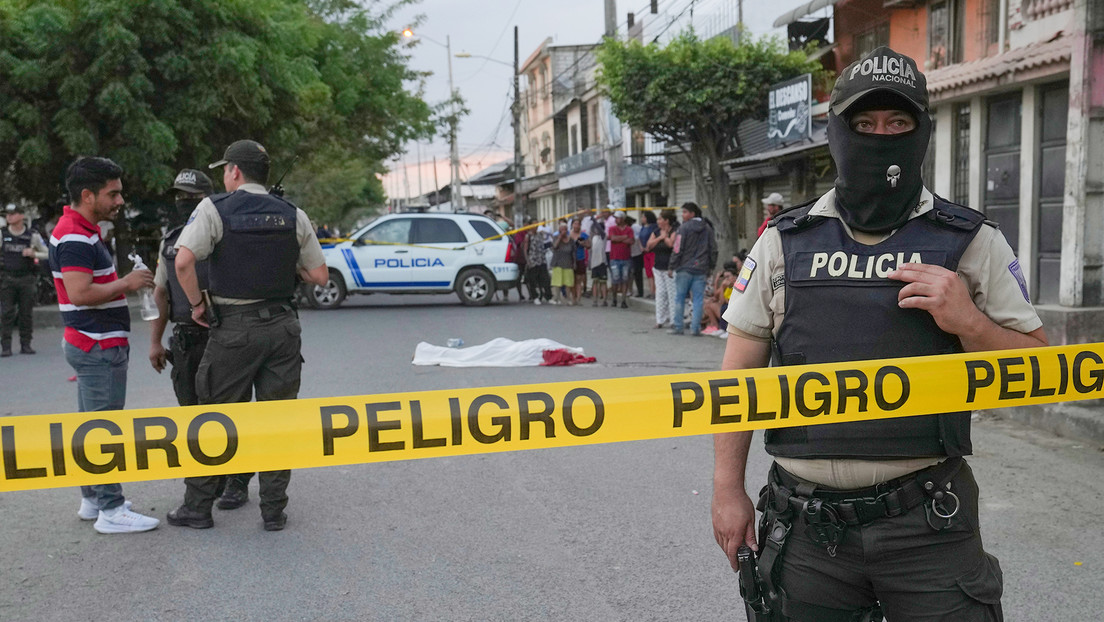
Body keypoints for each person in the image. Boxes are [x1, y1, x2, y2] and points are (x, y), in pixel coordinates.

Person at [712, 47, 1047, 621]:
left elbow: (1041, 371)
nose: (880, 136)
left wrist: (969, 322)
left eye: (897, 123)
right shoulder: (784, 240)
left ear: (922, 132)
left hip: (928, 523)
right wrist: (726, 489)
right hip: (806, 527)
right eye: (864, 124)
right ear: (837, 132)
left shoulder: (971, 240)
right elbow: (737, 378)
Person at [166, 139, 329, 532]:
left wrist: (197, 305)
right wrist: (285, 268)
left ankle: (198, 507)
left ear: (235, 171)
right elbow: (319, 276)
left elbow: (183, 262)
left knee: (214, 417)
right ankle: (273, 510)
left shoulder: (214, 208)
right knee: (277, 419)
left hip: (234, 328)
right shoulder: (293, 214)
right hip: (283, 327)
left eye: (225, 170)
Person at [51, 156, 160, 533]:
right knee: (104, 430)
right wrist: (127, 284)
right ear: (87, 195)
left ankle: (93, 498)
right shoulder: (75, 236)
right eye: (112, 194)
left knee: (90, 426)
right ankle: (111, 510)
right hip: (96, 344)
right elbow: (80, 293)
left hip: (91, 342)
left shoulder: (81, 229)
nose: (120, 201)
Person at [1, 205, 48, 356]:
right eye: (7, 214)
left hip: (27, 278)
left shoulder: (32, 235)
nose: (9, 217)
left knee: (26, 313)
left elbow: (47, 253)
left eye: (13, 214)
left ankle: (26, 344)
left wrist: (34, 254)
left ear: (21, 216)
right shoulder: (2, 234)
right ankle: (6, 346)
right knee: (6, 313)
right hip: (7, 278)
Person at [667, 202, 717, 335]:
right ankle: (695, 328)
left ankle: (678, 326)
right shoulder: (707, 228)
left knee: (680, 297)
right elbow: (713, 249)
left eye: (685, 212)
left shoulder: (683, 228)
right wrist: (711, 267)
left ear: (692, 213)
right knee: (698, 299)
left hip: (684, 268)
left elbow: (677, 248)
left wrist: (671, 266)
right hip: (701, 268)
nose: (682, 215)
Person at [646, 210, 678, 328]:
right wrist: (660, 237)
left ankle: (673, 320)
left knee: (672, 294)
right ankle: (660, 320)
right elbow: (649, 245)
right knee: (660, 293)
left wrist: (665, 237)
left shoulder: (674, 231)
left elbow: (671, 244)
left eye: (660, 219)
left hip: (670, 268)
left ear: (667, 220)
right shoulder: (656, 232)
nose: (658, 221)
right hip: (658, 267)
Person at [607, 211, 634, 308]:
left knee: (625, 279)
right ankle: (614, 299)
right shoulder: (612, 228)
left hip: (626, 258)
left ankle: (623, 300)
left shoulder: (629, 229)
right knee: (615, 279)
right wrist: (624, 237)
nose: (616, 220)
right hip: (614, 258)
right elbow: (612, 238)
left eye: (617, 218)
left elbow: (631, 241)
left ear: (623, 219)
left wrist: (619, 239)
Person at [524, 218, 552, 304]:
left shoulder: (540, 234)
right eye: (534, 225)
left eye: (537, 225)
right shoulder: (528, 236)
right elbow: (525, 249)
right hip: (533, 260)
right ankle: (535, 296)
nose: (535, 227)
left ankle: (548, 296)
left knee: (545, 279)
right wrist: (528, 261)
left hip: (541, 259)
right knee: (533, 279)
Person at [549, 219, 574, 305]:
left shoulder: (570, 240)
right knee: (557, 282)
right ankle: (557, 298)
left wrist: (574, 263)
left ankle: (568, 299)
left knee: (568, 283)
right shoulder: (556, 237)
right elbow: (554, 247)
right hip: (558, 263)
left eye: (565, 229)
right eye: (562, 229)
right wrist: (560, 237)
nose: (563, 231)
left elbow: (573, 251)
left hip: (568, 263)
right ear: (559, 230)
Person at [638, 210, 658, 299]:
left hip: (652, 252)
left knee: (654, 272)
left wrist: (649, 247)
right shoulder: (643, 227)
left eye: (643, 217)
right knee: (648, 272)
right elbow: (639, 238)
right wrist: (641, 247)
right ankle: (652, 291)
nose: (642, 218)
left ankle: (656, 291)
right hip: (645, 252)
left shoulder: (654, 227)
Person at [589, 217, 608, 306]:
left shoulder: (603, 236)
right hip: (594, 263)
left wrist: (594, 220)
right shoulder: (594, 238)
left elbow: (600, 230)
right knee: (595, 282)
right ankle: (595, 300)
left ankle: (604, 300)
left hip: (602, 262)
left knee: (603, 282)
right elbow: (591, 251)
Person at [570, 218, 590, 305]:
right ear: (572, 225)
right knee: (572, 280)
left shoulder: (583, 235)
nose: (576, 226)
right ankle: (573, 298)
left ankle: (578, 298)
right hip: (570, 259)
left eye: (578, 224)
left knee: (579, 279)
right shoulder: (569, 234)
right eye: (575, 224)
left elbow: (589, 245)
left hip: (580, 258)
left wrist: (583, 244)